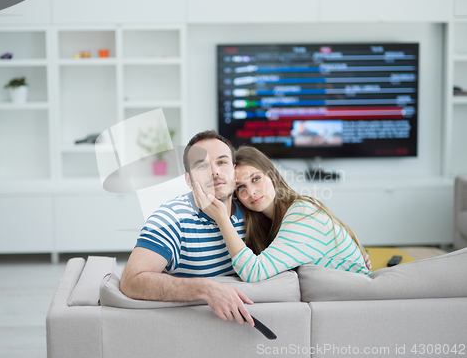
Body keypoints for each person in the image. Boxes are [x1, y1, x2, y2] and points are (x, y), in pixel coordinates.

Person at [120, 130, 255, 327]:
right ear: (189, 180)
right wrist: (205, 288)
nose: (215, 171)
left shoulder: (253, 210)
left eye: (222, 162)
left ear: (234, 171)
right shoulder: (170, 219)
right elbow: (131, 281)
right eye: (202, 165)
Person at [193, 145, 371, 283]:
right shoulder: (269, 223)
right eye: (241, 187)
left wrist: (222, 219)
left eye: (256, 179)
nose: (252, 192)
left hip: (356, 301)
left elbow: (254, 271)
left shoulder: (302, 214)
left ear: (273, 176)